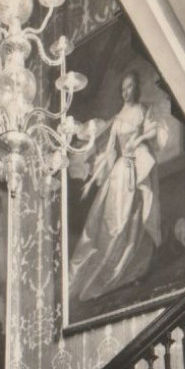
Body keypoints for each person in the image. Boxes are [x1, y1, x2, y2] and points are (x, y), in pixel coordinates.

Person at [69, 69, 167, 305]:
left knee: (133, 219)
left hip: (136, 169)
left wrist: (140, 140)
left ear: (137, 88)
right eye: (123, 88)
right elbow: (109, 152)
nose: (125, 92)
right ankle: (108, 273)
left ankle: (131, 269)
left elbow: (154, 132)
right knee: (111, 222)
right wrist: (91, 182)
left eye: (130, 87)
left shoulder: (143, 112)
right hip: (120, 174)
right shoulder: (117, 120)